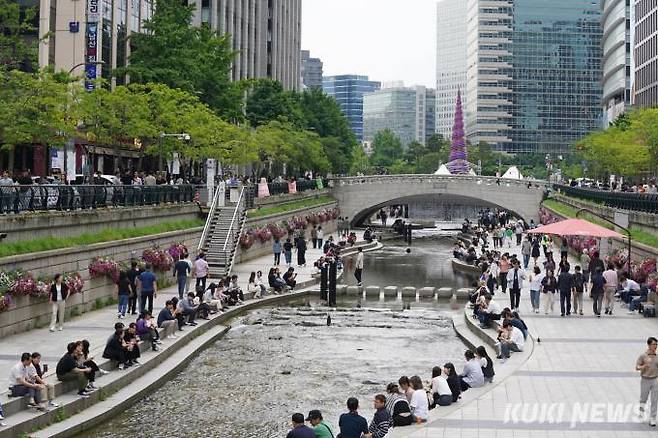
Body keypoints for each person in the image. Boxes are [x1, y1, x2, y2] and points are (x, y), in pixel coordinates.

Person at [637, 337, 658, 426]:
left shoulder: (657, 356)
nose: (655, 346)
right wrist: (644, 366)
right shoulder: (643, 356)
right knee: (643, 399)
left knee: (654, 400)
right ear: (649, 345)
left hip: (655, 379)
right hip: (645, 379)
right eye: (654, 344)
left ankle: (652, 418)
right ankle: (641, 414)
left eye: (656, 344)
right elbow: (637, 367)